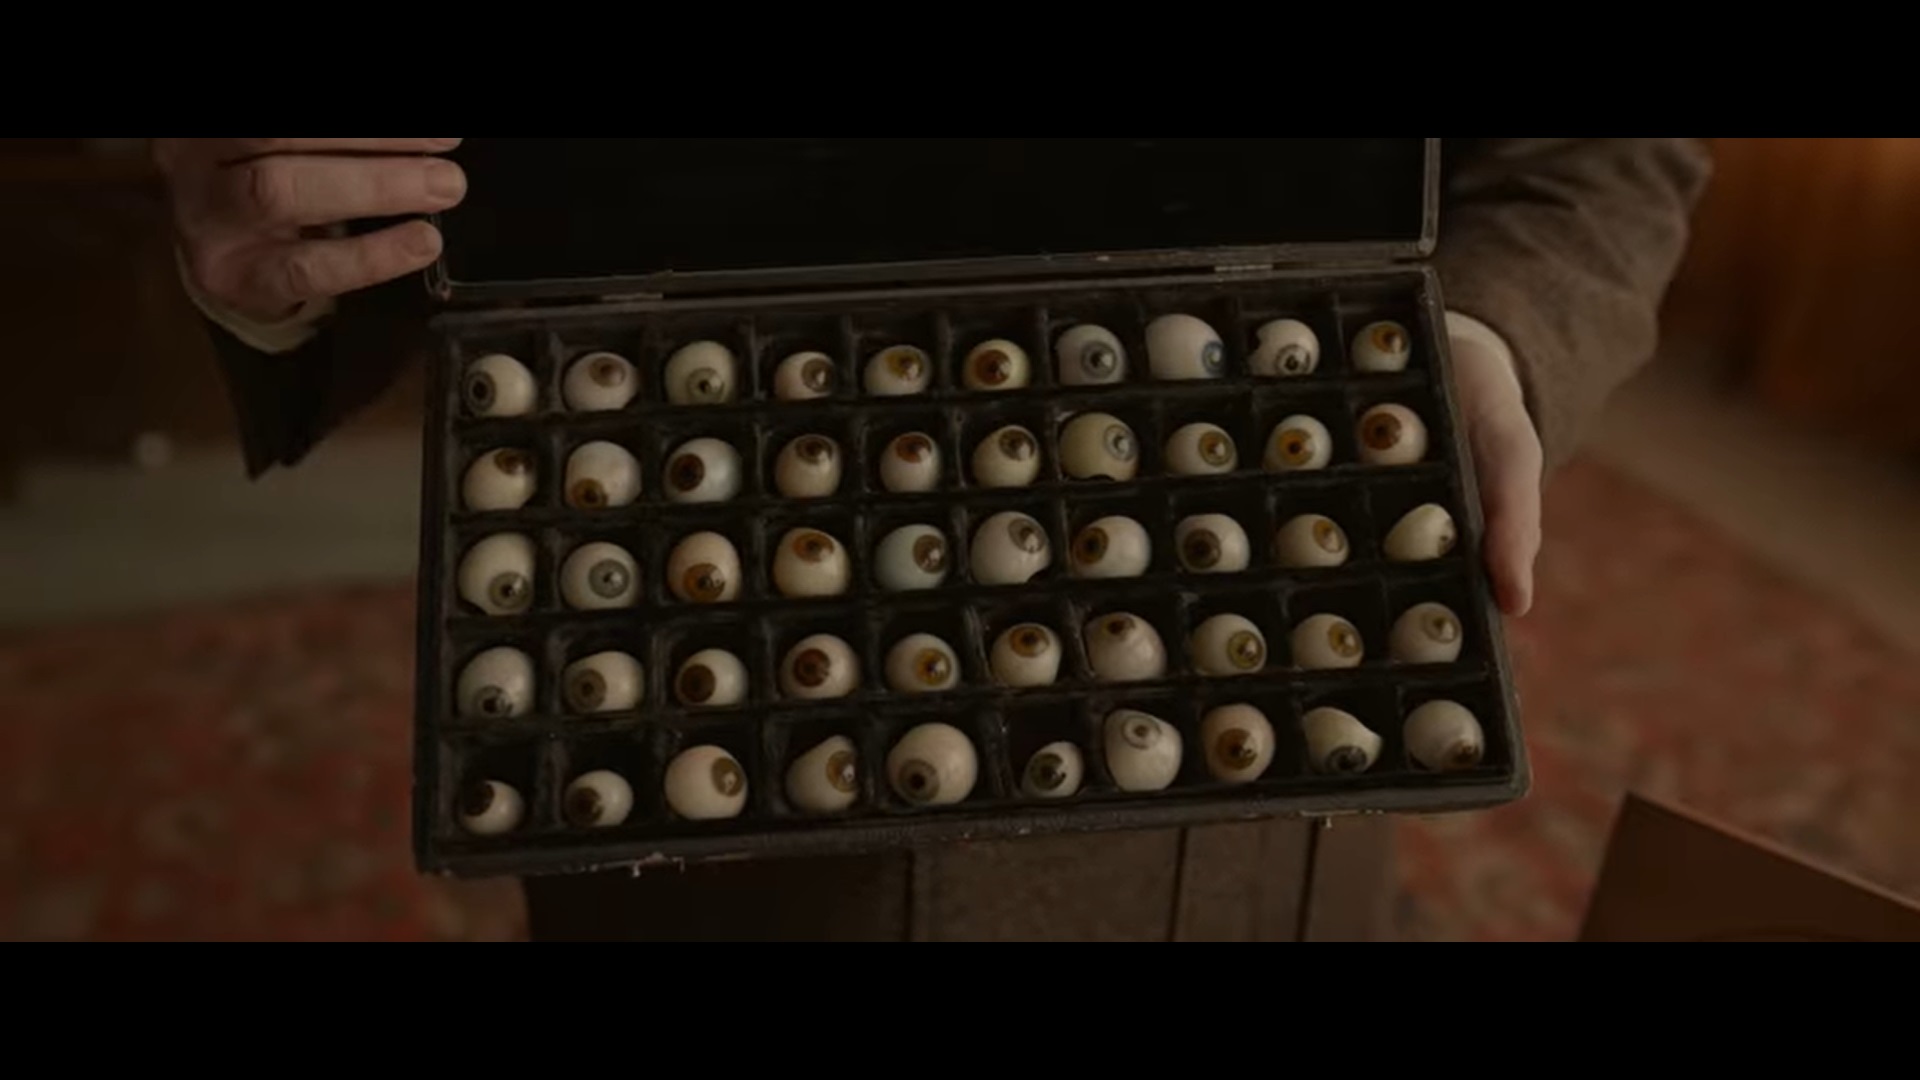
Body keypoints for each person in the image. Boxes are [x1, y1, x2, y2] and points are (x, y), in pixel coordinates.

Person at [154, 137, 1712, 941]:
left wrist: (1480, 338)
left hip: (1229, 843)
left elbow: (1605, 154)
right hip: (702, 831)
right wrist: (269, 228)